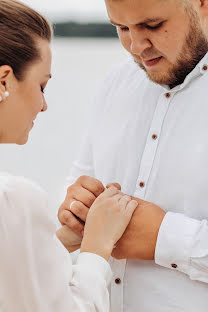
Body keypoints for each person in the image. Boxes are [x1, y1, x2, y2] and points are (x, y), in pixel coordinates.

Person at [58, 0, 208, 311]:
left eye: (152, 25)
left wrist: (163, 238)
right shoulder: (114, 83)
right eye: (121, 28)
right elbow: (78, 177)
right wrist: (76, 207)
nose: (136, 47)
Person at [0, 0, 139, 311]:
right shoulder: (14, 198)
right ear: (4, 81)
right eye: (42, 86)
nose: (43, 105)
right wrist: (98, 247)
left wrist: (57, 240)